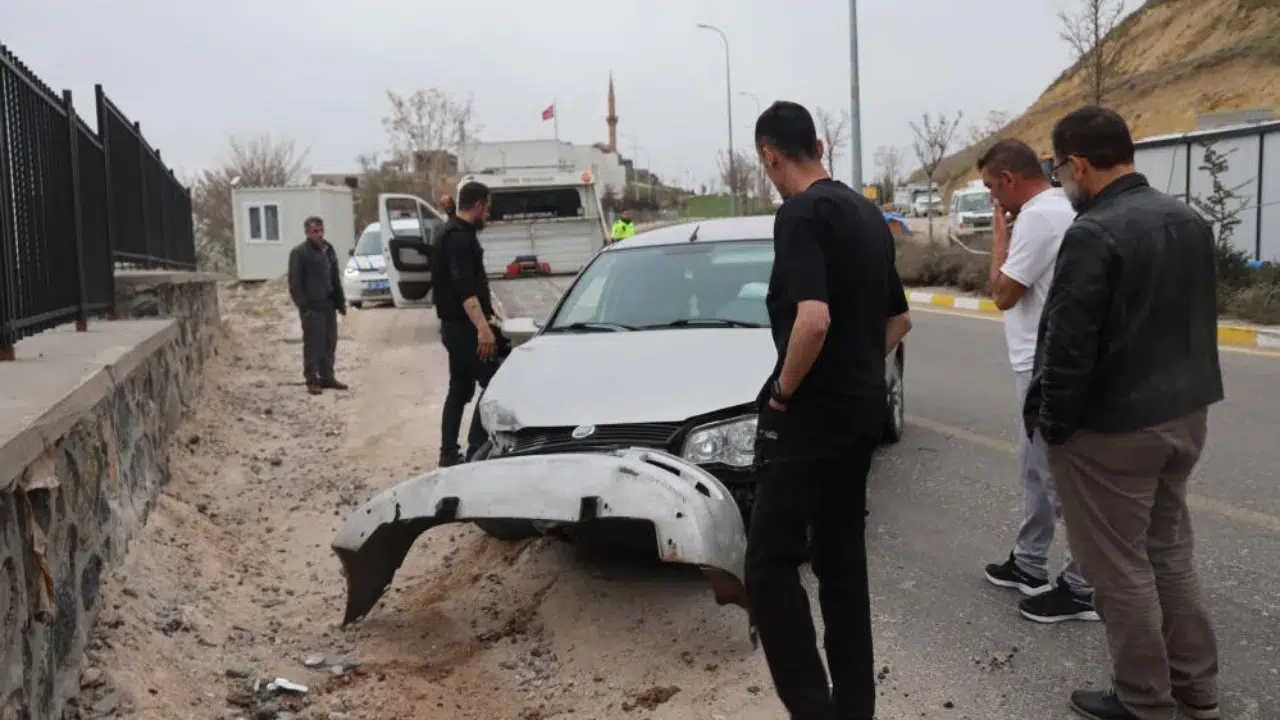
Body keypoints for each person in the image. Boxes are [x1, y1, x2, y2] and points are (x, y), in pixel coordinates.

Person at [1028, 106, 1224, 720]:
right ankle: (1197, 687)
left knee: (1118, 570)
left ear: (1080, 164)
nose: (1062, 179)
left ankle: (1144, 700)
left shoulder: (1093, 232)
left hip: (1113, 432)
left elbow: (1068, 344)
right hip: (1185, 417)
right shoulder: (1188, 220)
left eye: (1060, 168)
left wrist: (1055, 427)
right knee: (1168, 551)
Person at [746, 100, 912, 720]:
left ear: (770, 155)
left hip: (809, 417)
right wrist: (856, 366)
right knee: (841, 562)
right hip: (861, 412)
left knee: (767, 567)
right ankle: (854, 708)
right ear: (817, 143)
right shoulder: (867, 213)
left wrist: (785, 391)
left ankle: (813, 709)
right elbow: (899, 319)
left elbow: (812, 318)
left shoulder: (800, 214)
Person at [976, 139, 1099, 624]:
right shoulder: (1055, 208)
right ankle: (1029, 563)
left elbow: (1003, 292)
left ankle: (1084, 586)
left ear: (1009, 179)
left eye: (991, 187)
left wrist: (999, 234)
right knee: (1035, 469)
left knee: (1053, 476)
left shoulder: (1038, 216)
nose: (992, 198)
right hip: (1040, 359)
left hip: (1043, 364)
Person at [433, 181, 509, 467]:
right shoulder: (458, 239)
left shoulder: (454, 230)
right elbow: (465, 290)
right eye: (487, 208)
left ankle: (449, 455)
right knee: (495, 383)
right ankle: (477, 449)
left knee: (460, 389)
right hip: (466, 329)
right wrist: (483, 329)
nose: (488, 215)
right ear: (478, 205)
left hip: (456, 327)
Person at [287, 216, 348, 395]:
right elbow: (295, 283)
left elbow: (335, 278)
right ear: (307, 232)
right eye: (315, 231)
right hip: (312, 307)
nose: (319, 234)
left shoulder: (328, 250)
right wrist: (303, 306)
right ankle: (312, 379)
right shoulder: (299, 253)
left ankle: (327, 376)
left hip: (328, 304)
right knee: (313, 344)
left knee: (330, 341)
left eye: (321, 230)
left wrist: (341, 302)